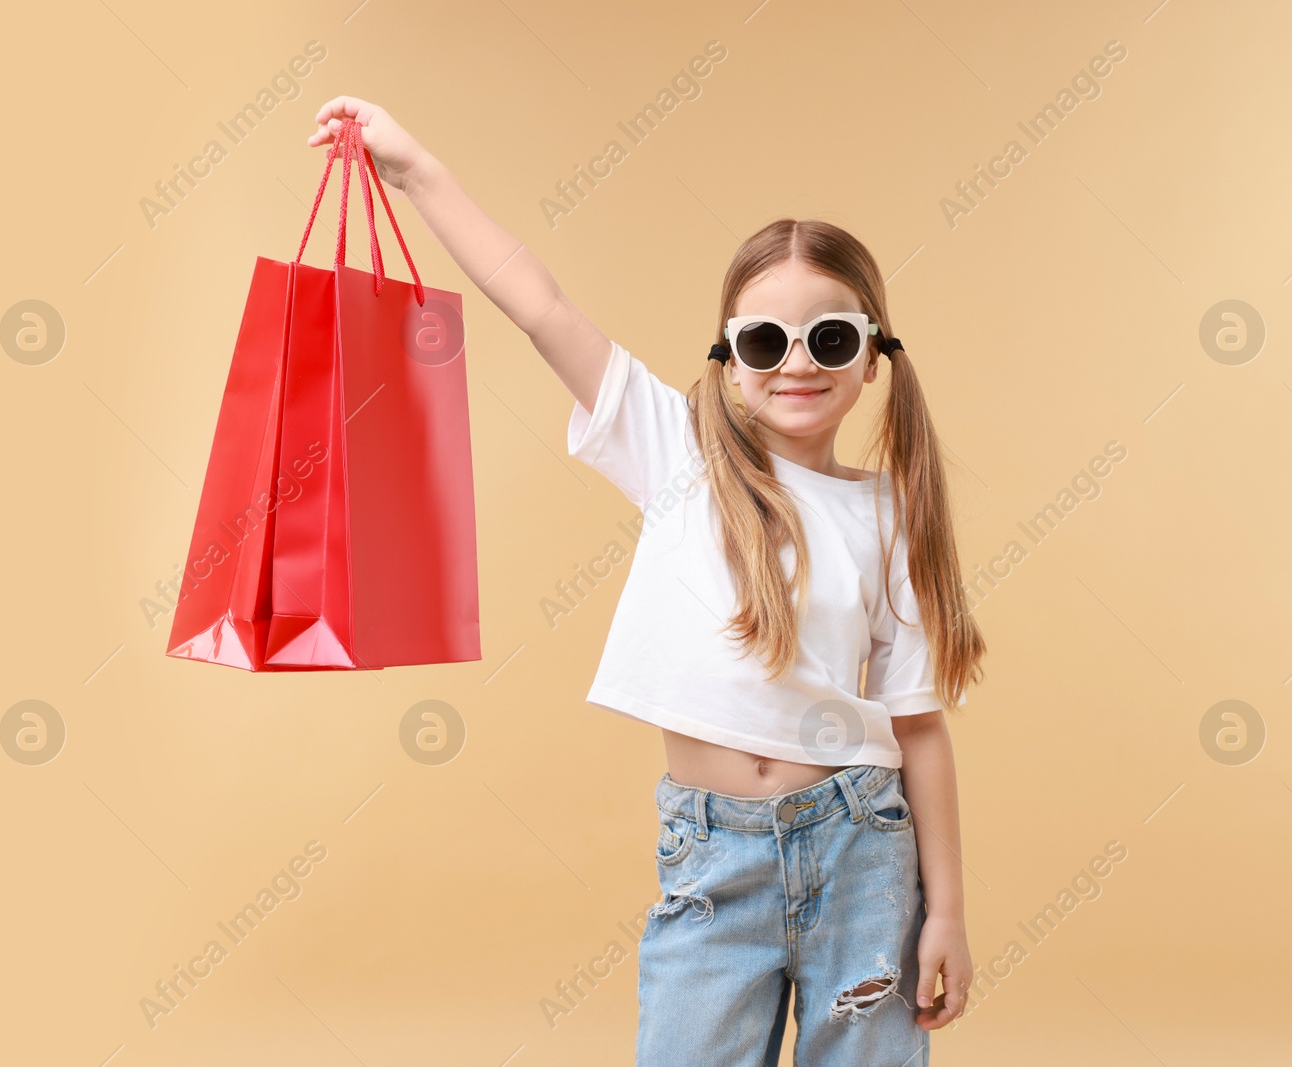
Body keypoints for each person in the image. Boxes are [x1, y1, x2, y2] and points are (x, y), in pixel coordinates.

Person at [310, 96, 986, 1064]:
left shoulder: (890, 512)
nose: (796, 362)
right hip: (713, 854)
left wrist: (946, 913)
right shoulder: (678, 452)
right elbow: (537, 303)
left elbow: (919, 725)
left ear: (873, 355)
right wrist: (415, 171)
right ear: (727, 356)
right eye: (764, 340)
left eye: (829, 338)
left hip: (863, 848)